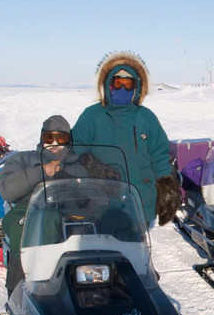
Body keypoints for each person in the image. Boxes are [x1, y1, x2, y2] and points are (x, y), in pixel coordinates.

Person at [72, 51, 180, 228]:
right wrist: (94, 169)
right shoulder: (92, 116)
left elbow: (159, 155)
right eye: (117, 82)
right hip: (101, 200)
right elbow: (76, 148)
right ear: (108, 85)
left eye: (128, 84)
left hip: (141, 199)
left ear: (137, 88)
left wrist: (167, 189)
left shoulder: (146, 118)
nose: (122, 88)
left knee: (135, 251)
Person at [0, 115, 87, 296]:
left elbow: (96, 193)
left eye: (60, 139)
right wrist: (41, 171)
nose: (54, 144)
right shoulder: (24, 159)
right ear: (41, 138)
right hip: (28, 207)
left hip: (66, 209)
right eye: (49, 138)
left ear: (68, 140)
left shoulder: (79, 164)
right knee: (27, 230)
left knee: (111, 221)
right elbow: (8, 190)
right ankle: (19, 291)